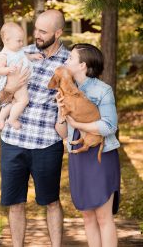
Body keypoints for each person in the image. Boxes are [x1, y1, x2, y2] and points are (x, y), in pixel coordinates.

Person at [0, 10, 69, 247]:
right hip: (13, 141)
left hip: (47, 143)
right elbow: (0, 98)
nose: (36, 35)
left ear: (58, 33)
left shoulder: (69, 62)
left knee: (51, 201)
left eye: (43, 31)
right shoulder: (20, 52)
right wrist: (12, 87)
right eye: (35, 29)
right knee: (15, 202)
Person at [55, 43, 121, 247]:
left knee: (103, 217)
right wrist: (60, 112)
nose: (66, 61)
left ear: (82, 65)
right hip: (78, 157)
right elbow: (63, 133)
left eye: (70, 59)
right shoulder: (65, 90)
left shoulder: (103, 90)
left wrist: (77, 123)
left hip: (101, 157)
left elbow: (109, 126)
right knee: (88, 217)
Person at [0, 22, 43, 130]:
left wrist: (33, 56)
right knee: (23, 101)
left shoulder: (19, 51)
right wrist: (7, 69)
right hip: (15, 82)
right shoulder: (4, 55)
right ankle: (12, 119)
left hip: (22, 81)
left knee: (14, 102)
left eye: (22, 40)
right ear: (6, 40)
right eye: (19, 41)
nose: (22, 43)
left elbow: (25, 57)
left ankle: (1, 117)